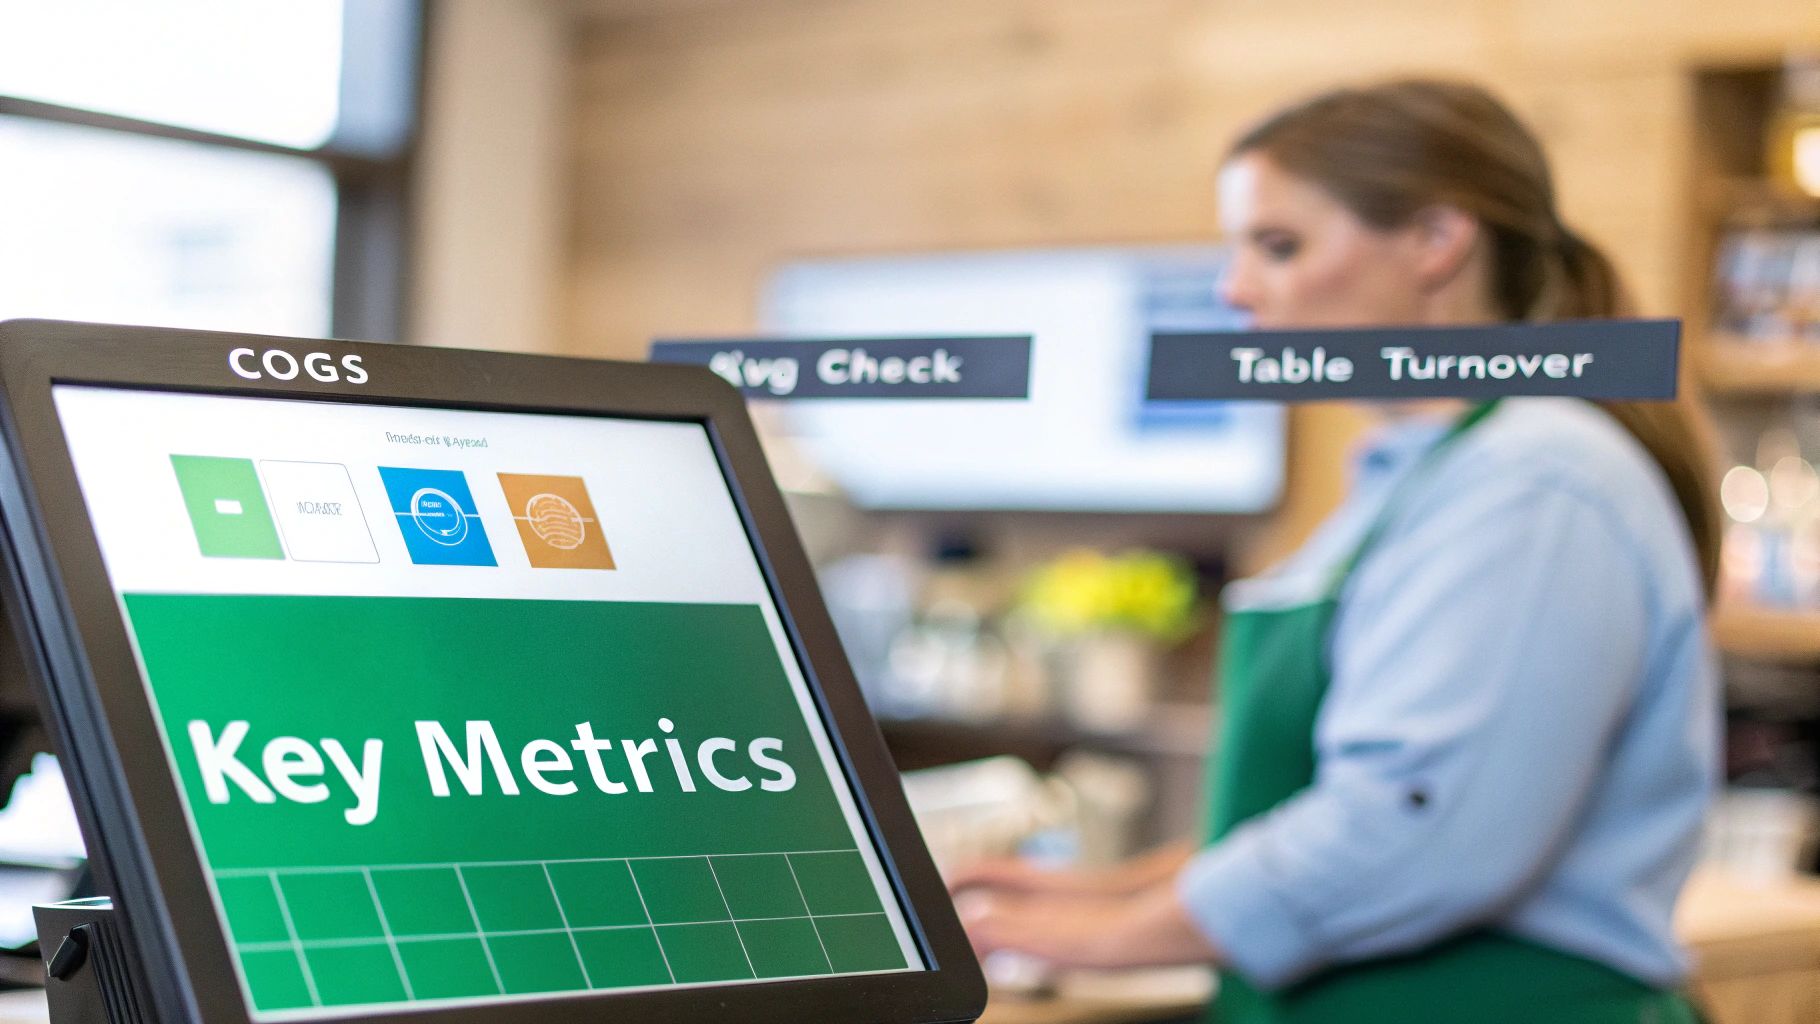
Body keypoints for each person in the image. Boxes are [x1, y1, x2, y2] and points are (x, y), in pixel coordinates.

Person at [950, 79, 1721, 1024]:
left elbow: (1413, 831)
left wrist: (1100, 942)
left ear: (1437, 242)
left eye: (1279, 246)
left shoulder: (1533, 480)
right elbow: (1317, 810)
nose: (1234, 289)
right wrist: (1097, 895)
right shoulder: (1419, 474)